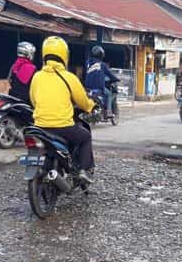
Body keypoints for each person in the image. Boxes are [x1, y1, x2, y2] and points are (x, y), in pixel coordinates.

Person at [30, 36, 96, 183]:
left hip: (39, 126)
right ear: (64, 55)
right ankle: (83, 170)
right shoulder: (69, 77)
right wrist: (91, 106)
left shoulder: (37, 77)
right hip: (62, 127)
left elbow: (34, 100)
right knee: (85, 137)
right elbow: (83, 102)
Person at [84, 45, 120, 115]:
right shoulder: (102, 65)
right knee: (109, 94)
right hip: (98, 87)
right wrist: (116, 79)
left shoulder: (87, 63)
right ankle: (108, 111)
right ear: (101, 55)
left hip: (87, 87)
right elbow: (109, 74)